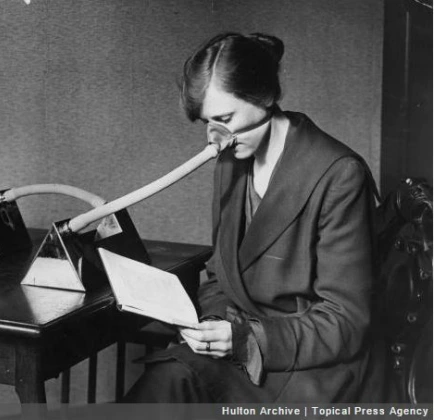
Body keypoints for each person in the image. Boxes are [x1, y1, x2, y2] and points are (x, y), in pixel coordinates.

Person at [123, 32, 385, 403]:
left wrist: (248, 339)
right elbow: (219, 276)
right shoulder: (231, 161)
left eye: (224, 118)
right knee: (165, 380)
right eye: (207, 122)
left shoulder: (339, 174)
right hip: (240, 349)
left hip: (309, 368)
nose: (214, 138)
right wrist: (214, 325)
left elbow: (346, 322)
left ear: (263, 96)